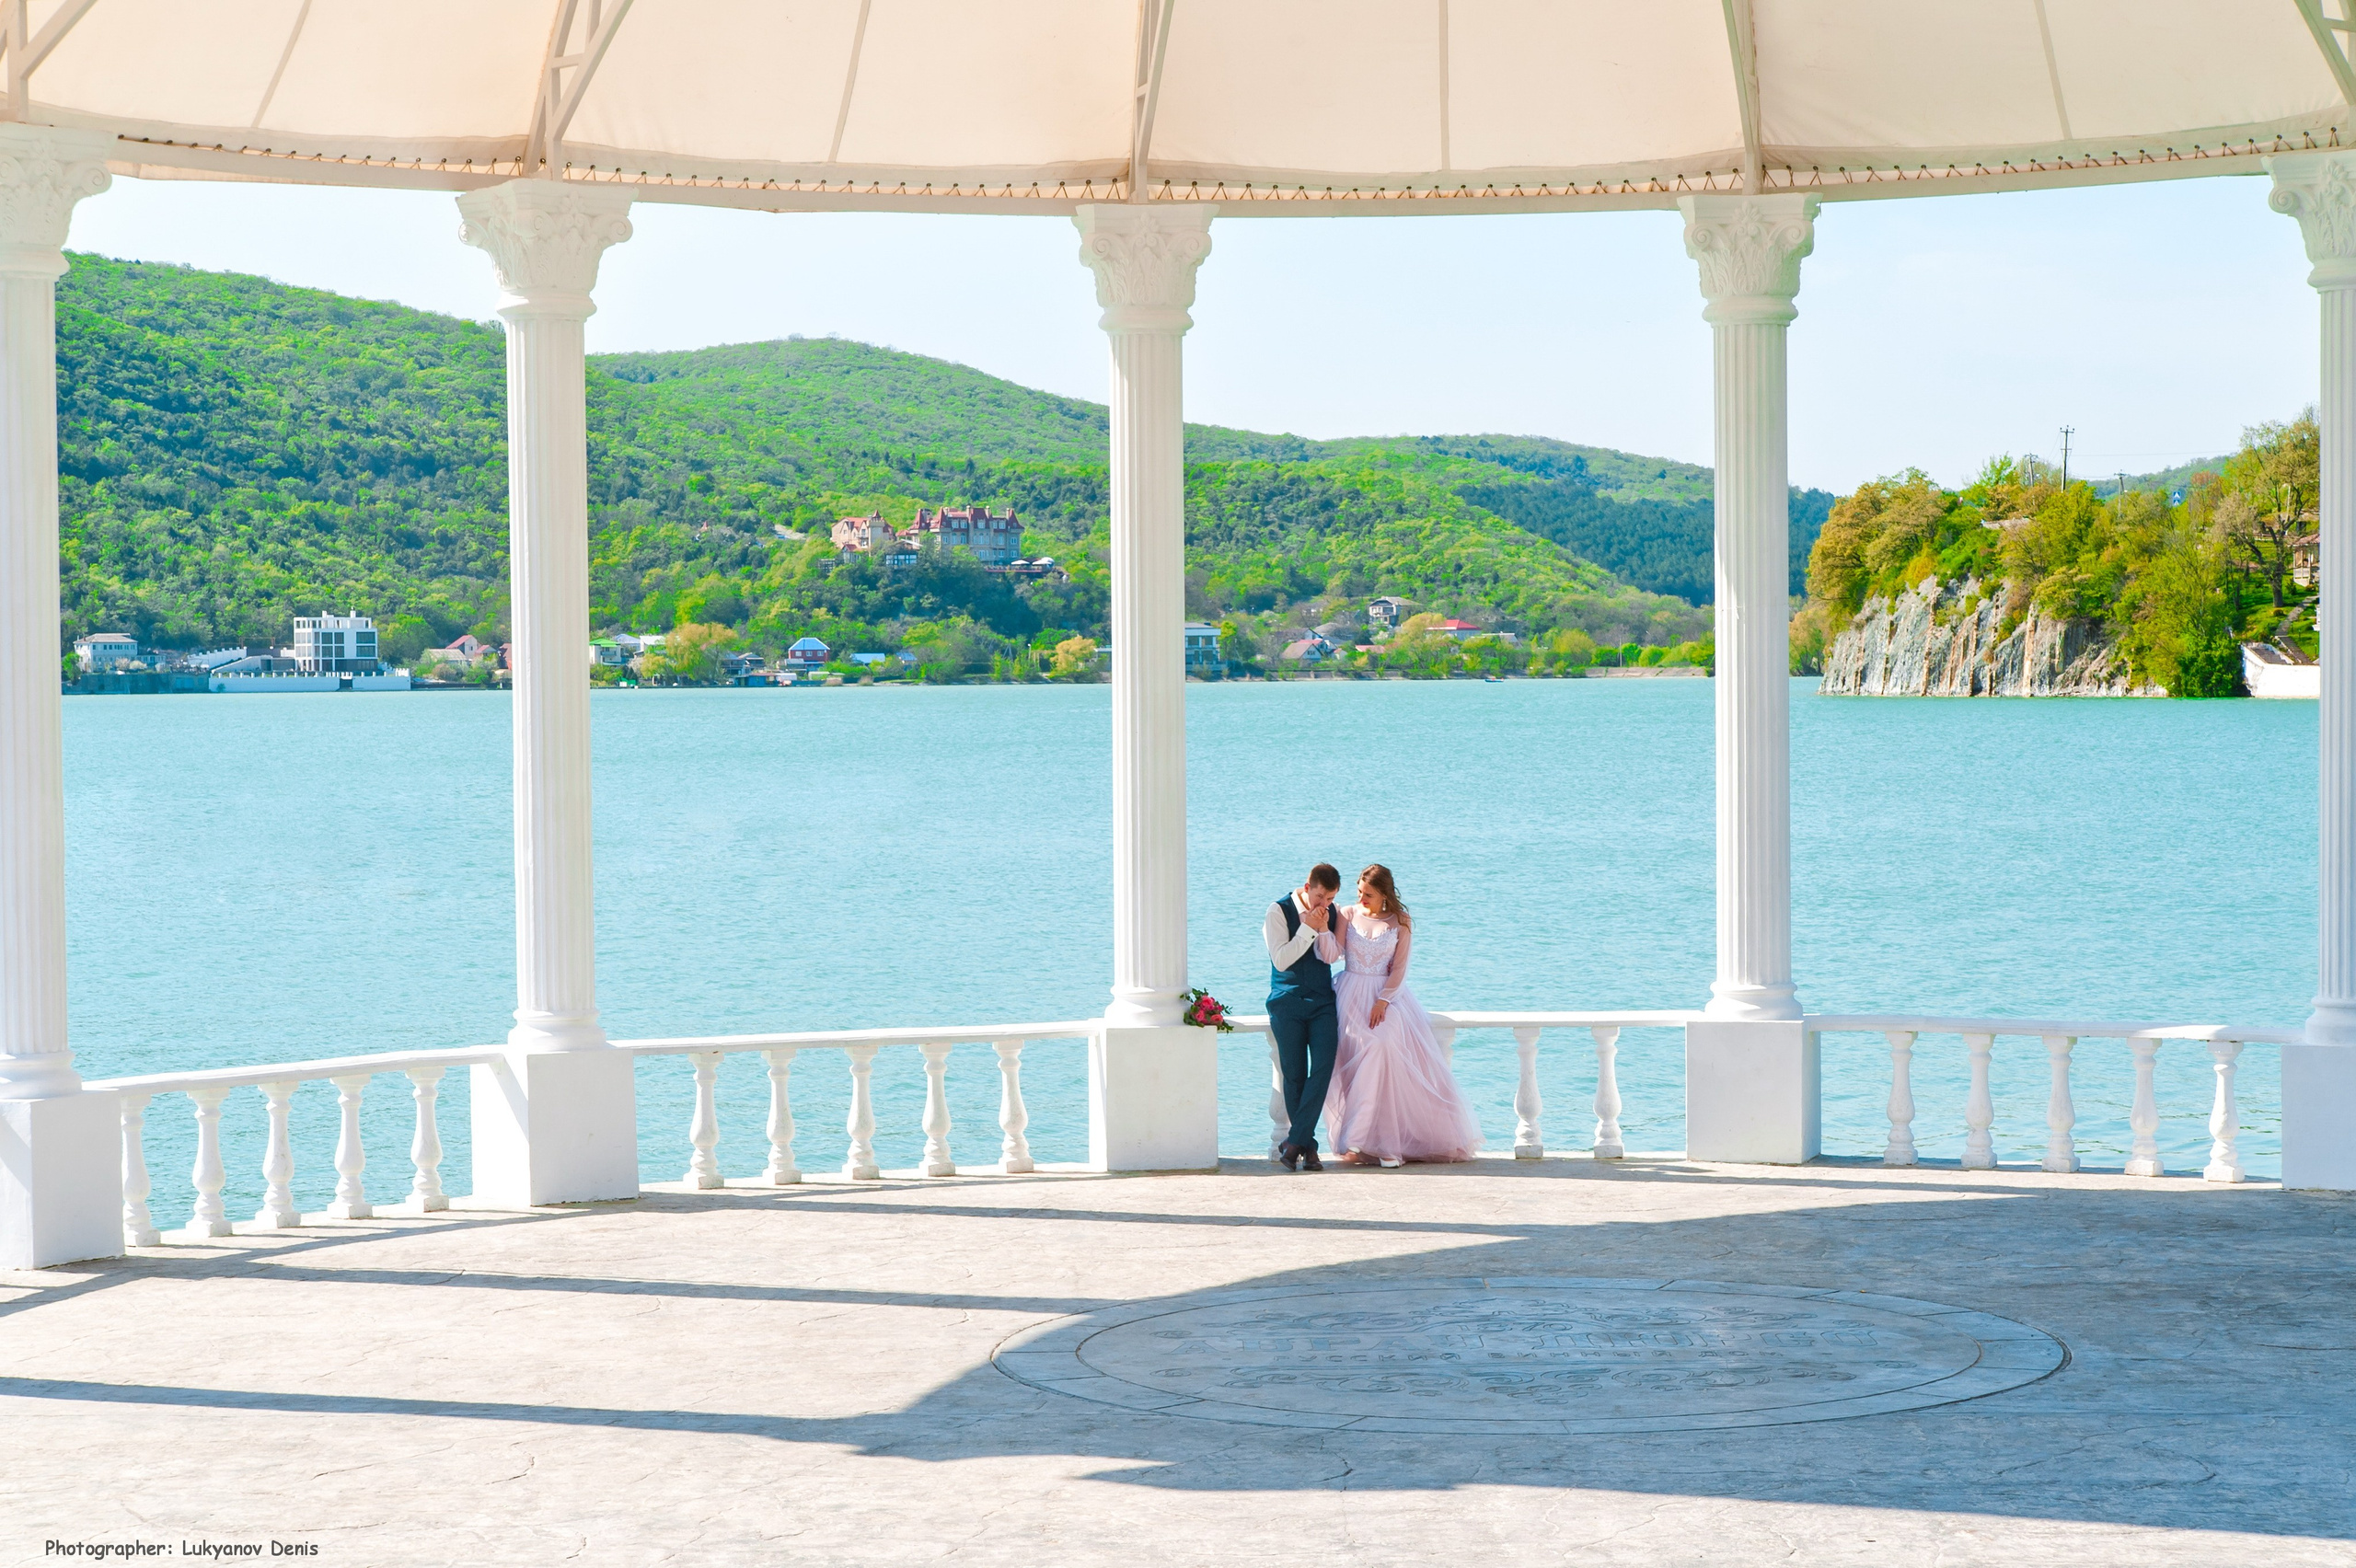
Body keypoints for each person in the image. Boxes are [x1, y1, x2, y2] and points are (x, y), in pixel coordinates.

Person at [1326, 863, 1482, 1166]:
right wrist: (1320, 928)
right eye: (1359, 891)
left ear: (1384, 893)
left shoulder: (1401, 922)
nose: (1362, 898)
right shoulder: (1347, 914)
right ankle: (1360, 1141)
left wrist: (1383, 1001)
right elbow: (1333, 953)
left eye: (1368, 894)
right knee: (1355, 1063)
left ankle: (1380, 1141)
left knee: (1381, 1048)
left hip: (1386, 998)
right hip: (1348, 995)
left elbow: (1399, 969)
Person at [1264, 862, 1344, 1171]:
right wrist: (1308, 927)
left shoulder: (1332, 913)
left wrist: (1322, 927)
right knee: (1294, 1074)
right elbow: (1281, 960)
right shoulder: (1277, 911)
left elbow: (1333, 955)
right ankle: (1307, 1148)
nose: (1323, 905)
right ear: (1307, 886)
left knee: (1323, 1067)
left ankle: (1294, 1142)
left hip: (1323, 1002)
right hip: (1287, 1001)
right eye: (1319, 897)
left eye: (1330, 899)